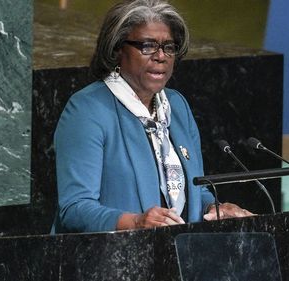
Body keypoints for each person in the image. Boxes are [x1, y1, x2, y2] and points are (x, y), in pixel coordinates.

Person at [52, 0, 252, 233]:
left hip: (181, 255)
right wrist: (136, 222)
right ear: (117, 49)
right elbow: (75, 208)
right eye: (147, 46)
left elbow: (195, 189)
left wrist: (214, 208)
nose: (161, 56)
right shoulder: (88, 109)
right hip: (113, 259)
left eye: (169, 47)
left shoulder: (176, 105)